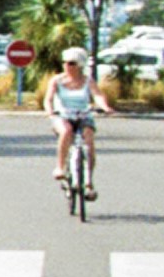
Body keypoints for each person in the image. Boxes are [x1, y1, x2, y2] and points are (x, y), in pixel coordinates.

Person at [43, 45, 113, 186]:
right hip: (63, 115)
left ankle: (88, 179)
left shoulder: (88, 81)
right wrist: (50, 110)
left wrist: (105, 107)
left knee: (89, 139)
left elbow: (97, 95)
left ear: (80, 65)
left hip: (83, 115)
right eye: (65, 62)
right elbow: (48, 98)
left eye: (71, 63)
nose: (67, 66)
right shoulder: (57, 80)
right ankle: (60, 167)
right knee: (66, 131)